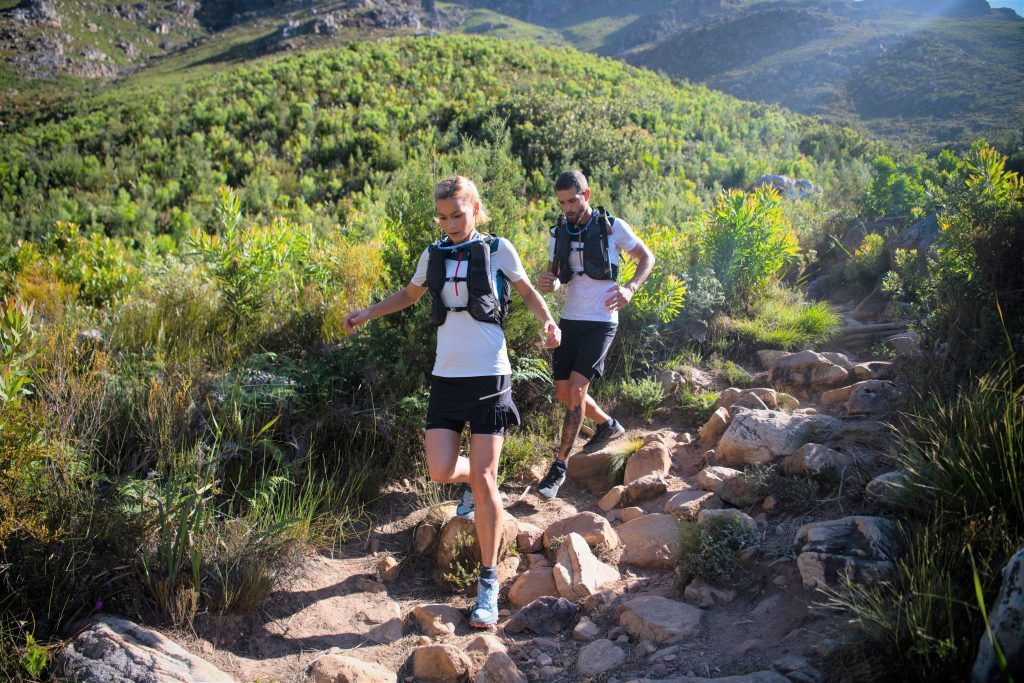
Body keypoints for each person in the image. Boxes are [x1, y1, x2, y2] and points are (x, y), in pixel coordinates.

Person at [343, 176, 560, 628]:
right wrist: (368, 312)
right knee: (440, 470)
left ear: (476, 209)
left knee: (485, 478)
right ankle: (472, 486)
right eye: (442, 217)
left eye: (457, 215)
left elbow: (526, 292)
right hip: (447, 376)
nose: (450, 224)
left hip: (489, 374)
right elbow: (409, 294)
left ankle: (488, 582)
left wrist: (548, 323)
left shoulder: (498, 249)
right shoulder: (434, 253)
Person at [535, 169, 655, 500]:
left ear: (586, 195)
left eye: (572, 200)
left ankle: (558, 467)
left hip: (602, 320)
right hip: (569, 319)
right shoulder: (559, 231)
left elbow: (647, 257)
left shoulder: (612, 227)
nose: (567, 208)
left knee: (575, 390)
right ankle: (607, 424)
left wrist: (631, 287)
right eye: (561, 202)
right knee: (564, 393)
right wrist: (551, 282)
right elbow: (555, 274)